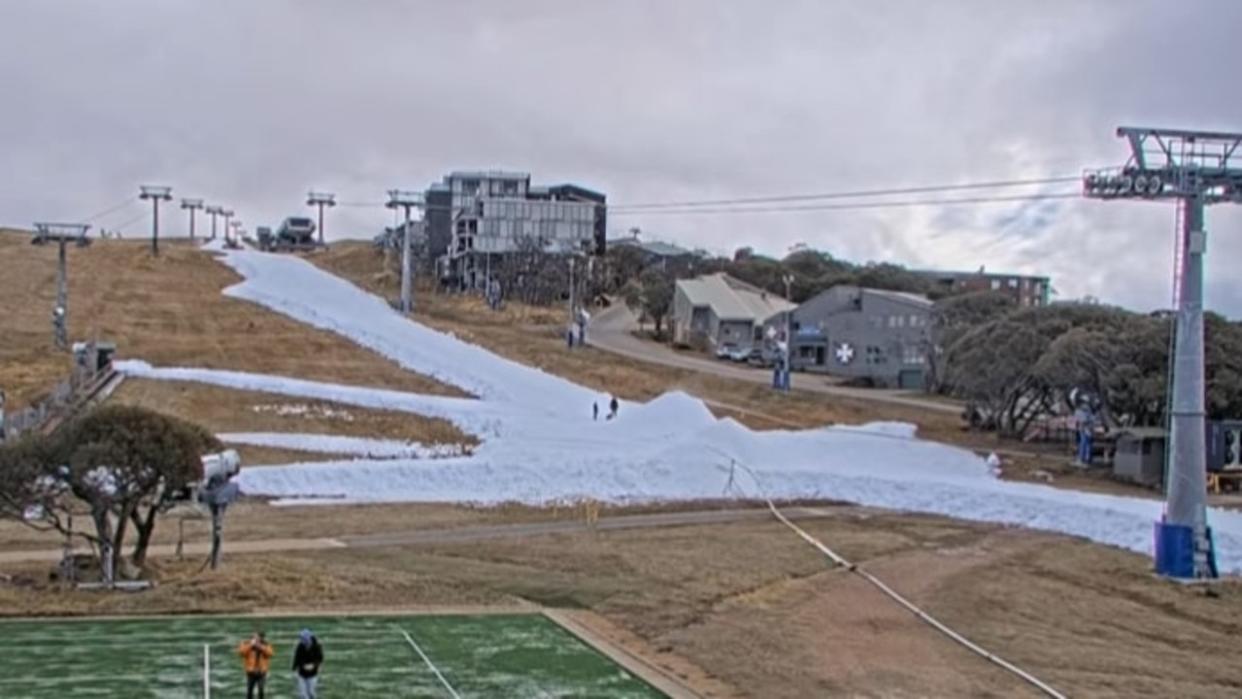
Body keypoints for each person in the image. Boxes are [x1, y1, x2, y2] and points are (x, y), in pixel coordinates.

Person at [238, 631, 274, 699]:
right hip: (251, 672)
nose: (256, 640)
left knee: (261, 690)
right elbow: (241, 653)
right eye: (254, 638)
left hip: (262, 672)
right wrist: (251, 645)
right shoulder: (246, 643)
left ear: (261, 638)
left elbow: (270, 654)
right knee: (249, 691)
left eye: (257, 638)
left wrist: (261, 647)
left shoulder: (265, 644)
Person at [292, 628, 324, 699]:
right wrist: (295, 668)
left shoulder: (317, 646)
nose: (302, 641)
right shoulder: (300, 646)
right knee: (303, 695)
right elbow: (297, 658)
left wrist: (313, 665)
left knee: (311, 692)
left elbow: (320, 658)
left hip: (313, 673)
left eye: (303, 639)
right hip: (301, 673)